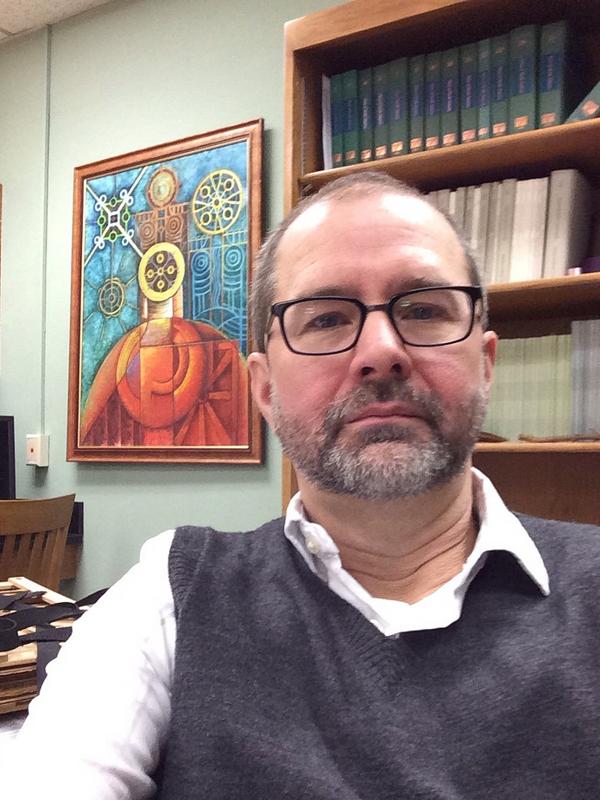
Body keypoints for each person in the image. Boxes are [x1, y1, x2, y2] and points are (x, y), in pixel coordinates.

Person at [8, 172, 600, 799]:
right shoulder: (169, 595)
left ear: (485, 364)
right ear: (265, 389)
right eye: (326, 318)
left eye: (424, 310)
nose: (381, 350)